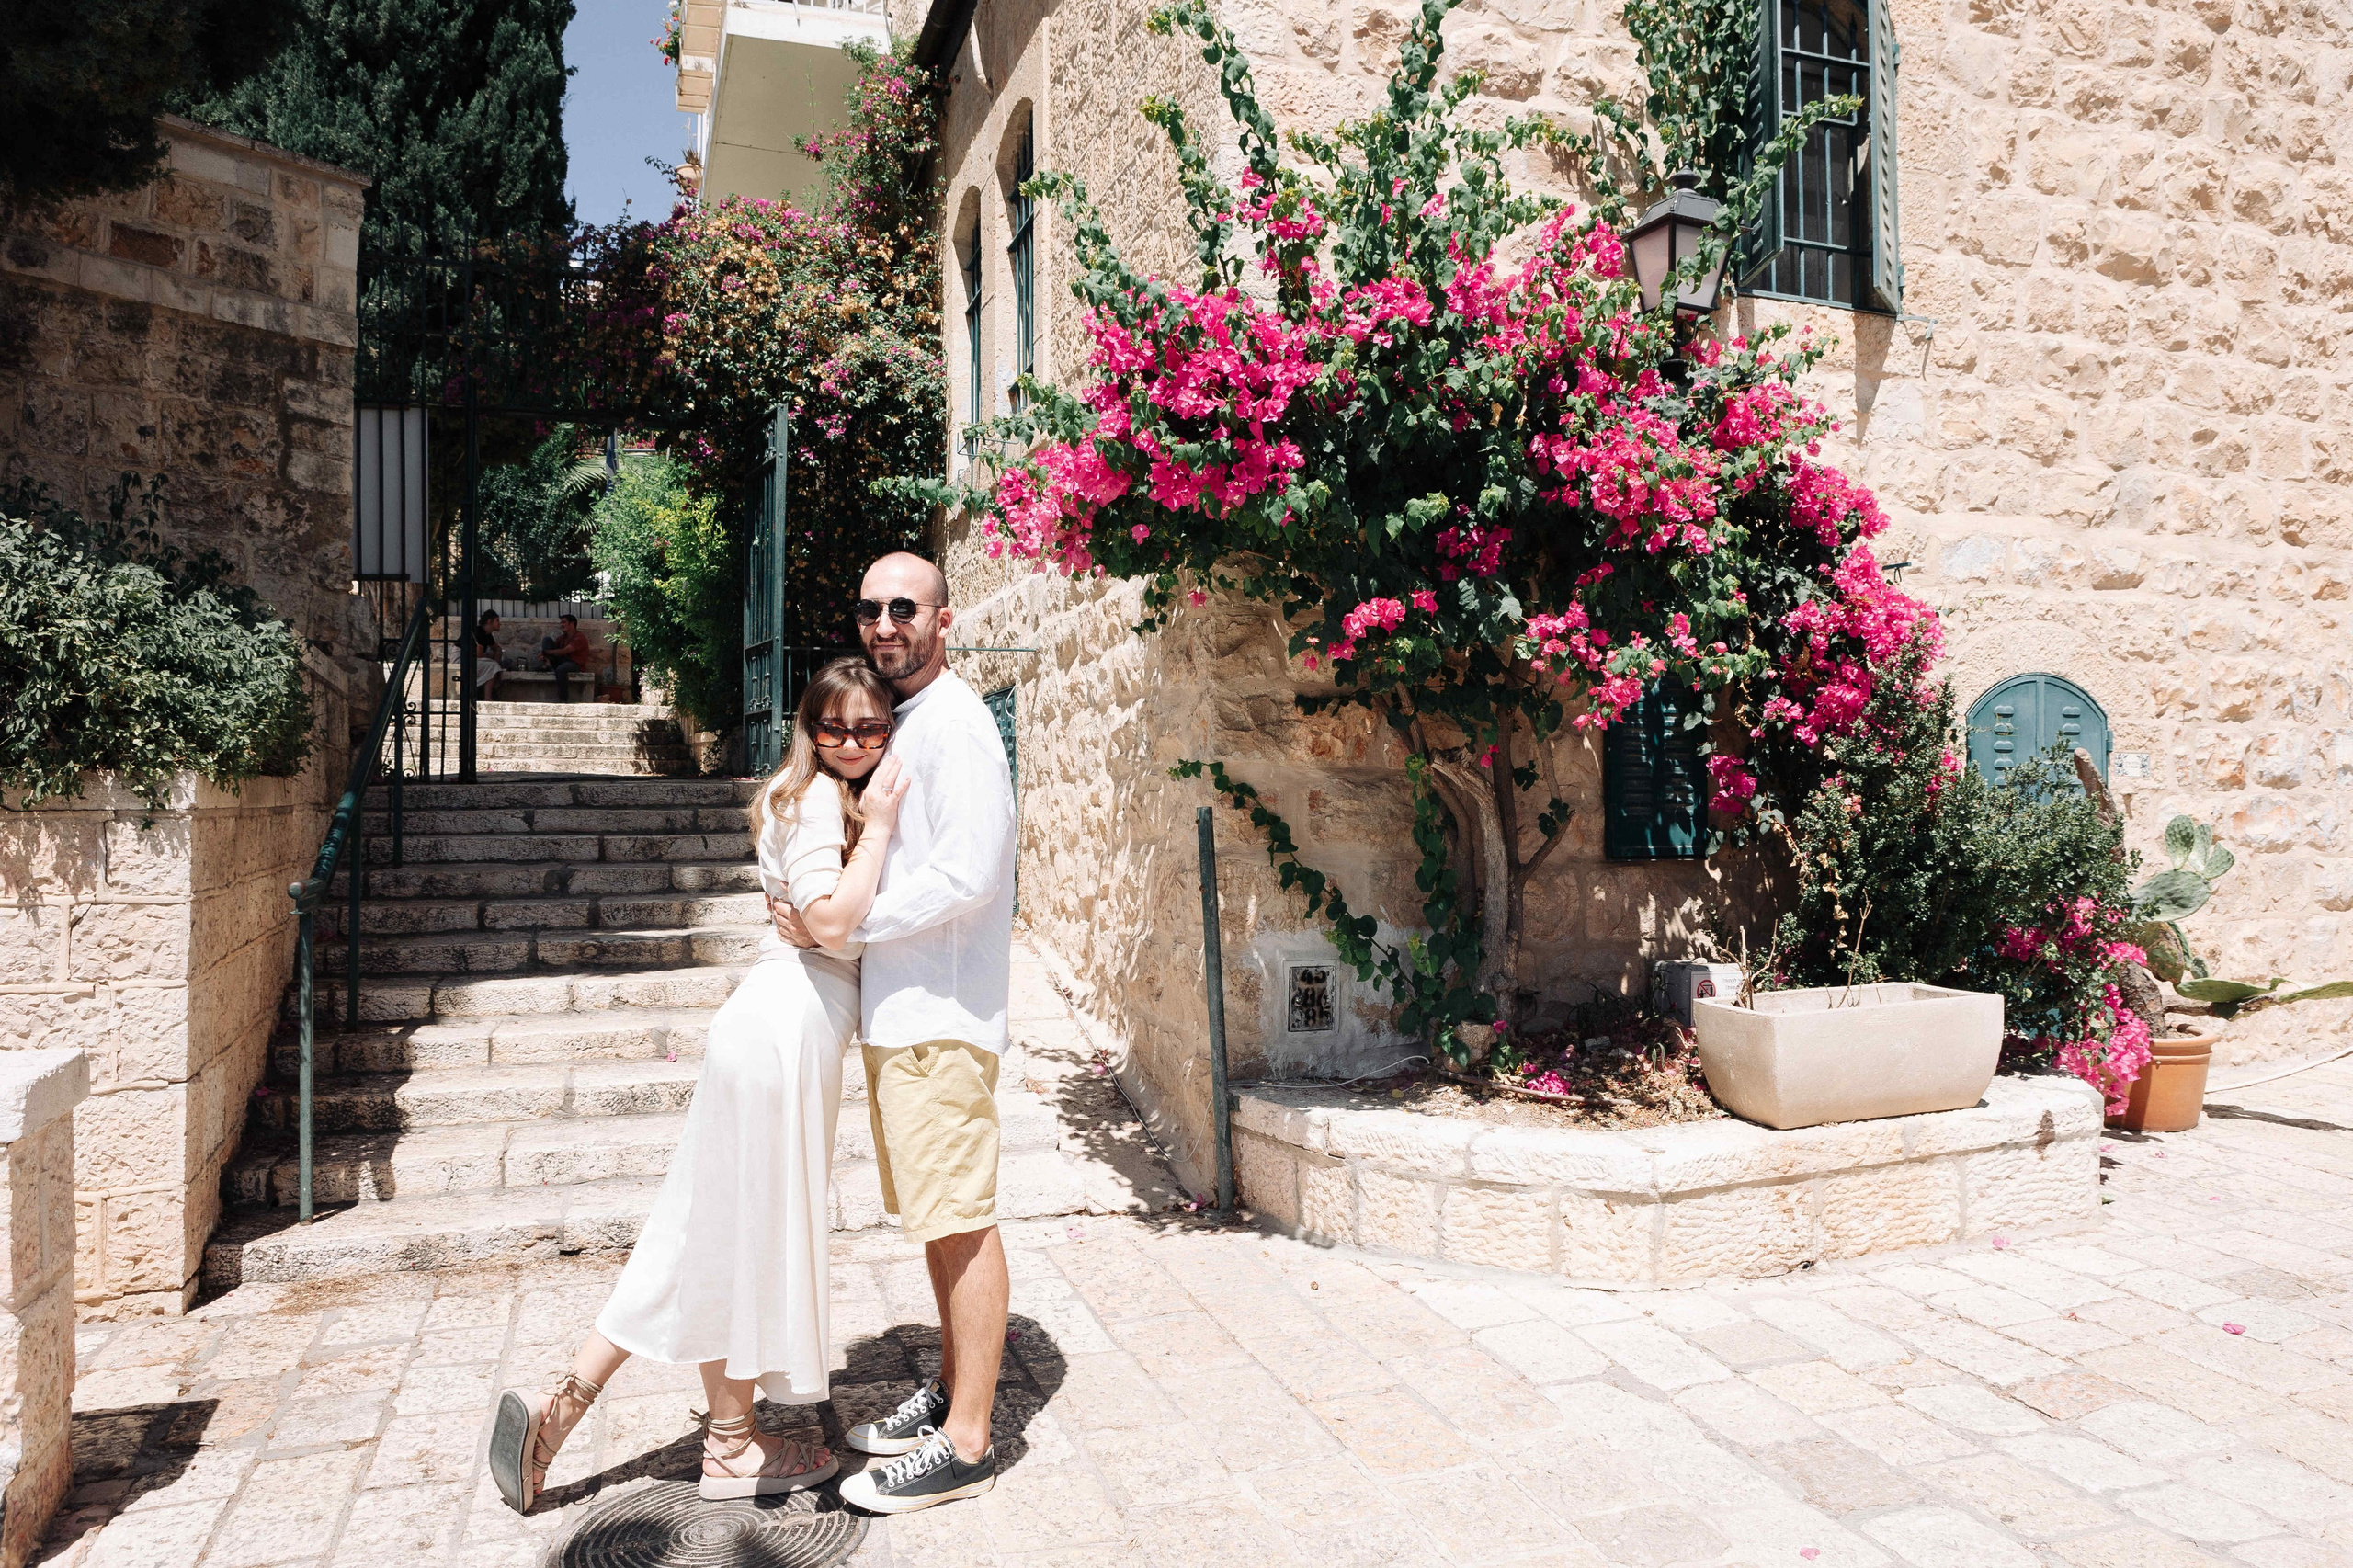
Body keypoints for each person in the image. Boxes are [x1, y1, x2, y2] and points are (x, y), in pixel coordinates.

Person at [486, 658, 911, 1514]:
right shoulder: (829, 800)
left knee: (707, 1230)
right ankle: (726, 1447)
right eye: (835, 728)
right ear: (810, 728)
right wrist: (884, 826)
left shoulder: (794, 795)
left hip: (766, 1021)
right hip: (790, 1026)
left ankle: (567, 1410)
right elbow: (829, 920)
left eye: (871, 728)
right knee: (742, 1235)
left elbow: (816, 915)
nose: (854, 743)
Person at [769, 551, 1017, 1516]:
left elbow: (971, 871)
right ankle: (952, 1395)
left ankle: (968, 1438)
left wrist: (844, 922)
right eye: (870, 607)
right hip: (904, 1015)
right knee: (934, 1214)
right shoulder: (903, 720)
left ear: (943, 620)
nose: (884, 624)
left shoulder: (954, 724)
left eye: (904, 608)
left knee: (958, 1216)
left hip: (940, 1016)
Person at [540, 613, 596, 703]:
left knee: (561, 670)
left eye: (564, 622)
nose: (561, 625)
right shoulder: (563, 638)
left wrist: (545, 652)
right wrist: (544, 653)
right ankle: (548, 663)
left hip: (574, 663)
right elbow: (552, 647)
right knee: (547, 640)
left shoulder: (579, 637)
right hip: (562, 661)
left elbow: (565, 651)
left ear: (572, 624)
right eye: (561, 623)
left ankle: (563, 700)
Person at [474, 610, 504, 700]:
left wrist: (496, 660)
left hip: (474, 660)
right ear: (489, 621)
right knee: (493, 667)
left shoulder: (487, 635)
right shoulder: (479, 631)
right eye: (497, 620)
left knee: (494, 666)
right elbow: (479, 654)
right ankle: (488, 698)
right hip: (461, 659)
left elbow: (498, 649)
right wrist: (493, 662)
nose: (500, 623)